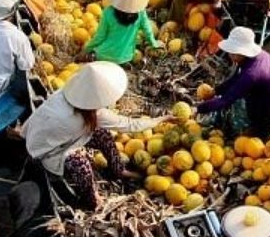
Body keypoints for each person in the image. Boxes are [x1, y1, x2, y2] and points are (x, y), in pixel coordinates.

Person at [24, 62, 169, 210]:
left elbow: (40, 115)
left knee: (102, 134)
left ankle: (118, 170)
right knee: (82, 165)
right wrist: (160, 120)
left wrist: (23, 131)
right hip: (49, 152)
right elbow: (130, 125)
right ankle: (91, 201)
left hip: (44, 138)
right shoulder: (96, 115)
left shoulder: (64, 94)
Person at [198, 27, 270, 134]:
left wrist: (198, 109)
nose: (229, 55)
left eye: (232, 52)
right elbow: (235, 79)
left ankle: (256, 129)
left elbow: (225, 100)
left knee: (238, 116)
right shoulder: (255, 57)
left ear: (241, 53)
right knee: (234, 94)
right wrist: (216, 91)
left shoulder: (251, 74)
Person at [81, 0, 162, 64]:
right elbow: (148, 31)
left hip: (104, 55)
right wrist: (154, 44)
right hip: (126, 57)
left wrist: (86, 49)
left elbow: (99, 37)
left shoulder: (108, 12)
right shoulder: (140, 12)